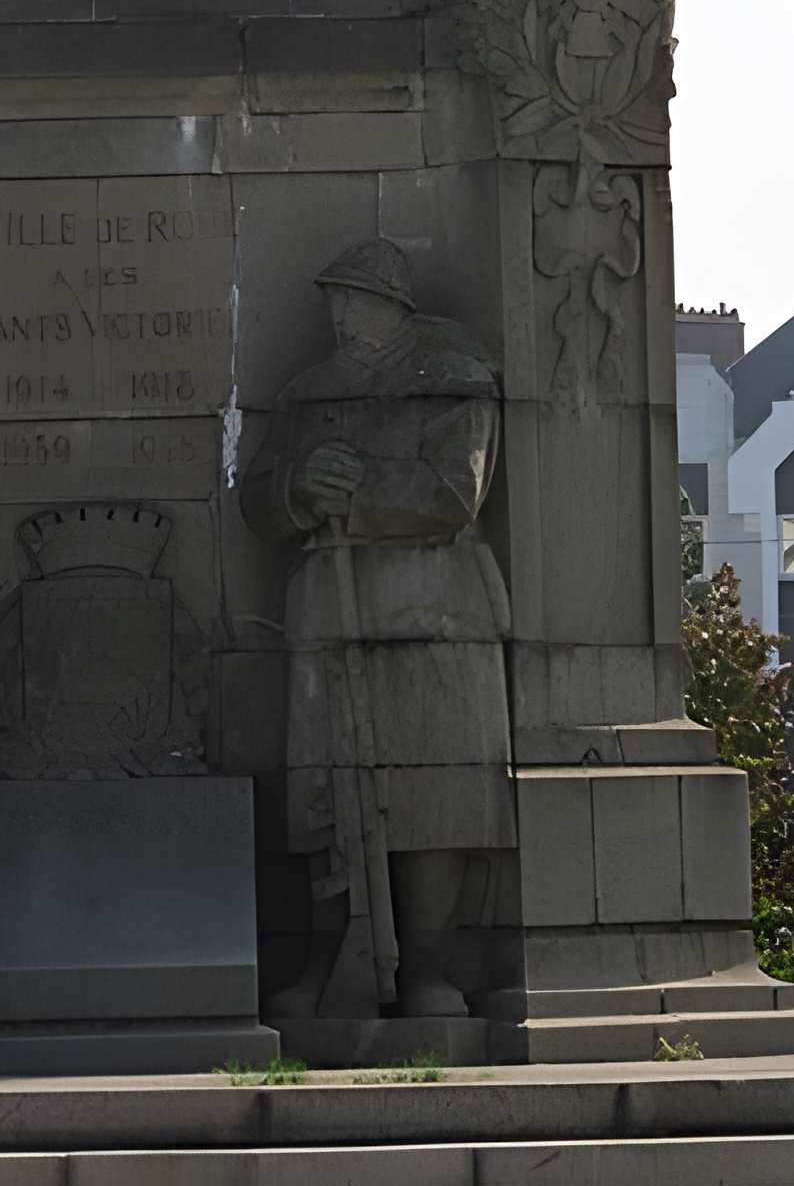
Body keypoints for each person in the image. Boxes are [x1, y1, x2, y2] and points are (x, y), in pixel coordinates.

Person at [242, 238, 511, 1021]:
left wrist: (356, 487)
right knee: (328, 792)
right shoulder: (307, 393)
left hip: (437, 614)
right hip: (329, 610)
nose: (337, 313)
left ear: (393, 306)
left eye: (351, 298)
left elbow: (456, 492)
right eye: (332, 298)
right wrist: (298, 489)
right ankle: (332, 962)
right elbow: (258, 496)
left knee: (435, 797)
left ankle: (429, 966)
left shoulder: (454, 380)